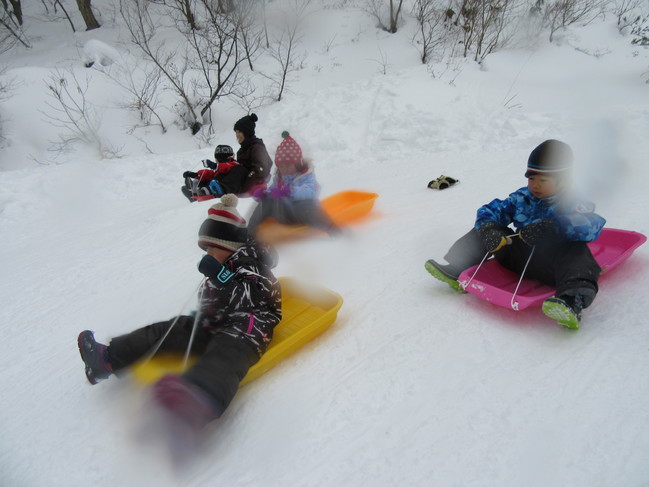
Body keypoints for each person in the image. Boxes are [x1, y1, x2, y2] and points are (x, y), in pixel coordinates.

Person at [77, 194, 282, 429]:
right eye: (205, 249)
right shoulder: (222, 264)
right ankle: (107, 359)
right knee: (172, 329)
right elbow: (213, 298)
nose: (207, 254)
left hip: (251, 323)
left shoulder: (253, 263)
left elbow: (249, 297)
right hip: (219, 320)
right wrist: (203, 315)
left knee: (228, 351)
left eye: (211, 248)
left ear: (228, 245)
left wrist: (221, 276)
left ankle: (199, 399)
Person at [425, 139, 606, 330]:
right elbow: (491, 210)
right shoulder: (522, 197)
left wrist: (554, 226)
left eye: (542, 180)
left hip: (554, 267)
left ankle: (572, 300)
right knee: (489, 229)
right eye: (531, 179)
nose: (535, 185)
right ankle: (457, 267)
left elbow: (592, 224)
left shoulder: (574, 201)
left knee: (577, 252)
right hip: (521, 258)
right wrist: (489, 230)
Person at [247, 131, 341, 237]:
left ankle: (333, 230)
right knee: (265, 203)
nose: (284, 169)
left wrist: (290, 192)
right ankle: (248, 235)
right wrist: (264, 194)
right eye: (281, 166)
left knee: (305, 205)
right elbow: (273, 191)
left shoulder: (306, 176)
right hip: (286, 215)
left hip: (304, 216)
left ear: (297, 164)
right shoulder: (279, 178)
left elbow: (311, 191)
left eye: (288, 165)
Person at [208, 113, 273, 197]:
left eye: (239, 132)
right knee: (228, 169)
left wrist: (244, 186)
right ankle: (209, 189)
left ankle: (222, 189)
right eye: (236, 132)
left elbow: (260, 171)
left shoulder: (257, 147)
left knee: (238, 170)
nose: (237, 135)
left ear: (246, 132)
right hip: (243, 182)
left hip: (254, 184)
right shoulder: (242, 150)